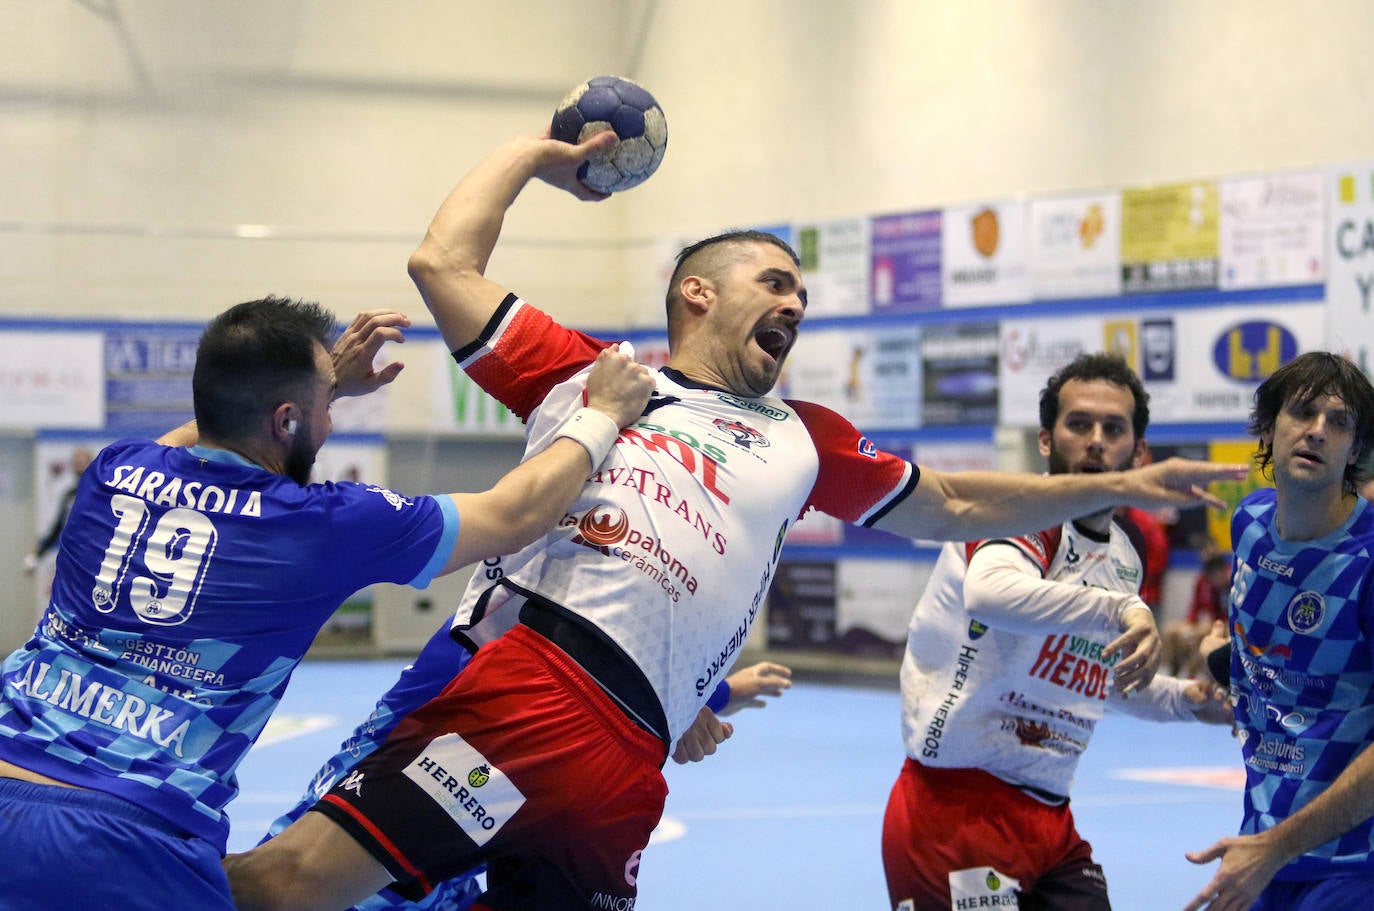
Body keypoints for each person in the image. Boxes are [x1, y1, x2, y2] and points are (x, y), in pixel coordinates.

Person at [223, 128, 1246, 911]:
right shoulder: (598, 374)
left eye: (803, 289)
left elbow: (958, 502)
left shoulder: (808, 435)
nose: (797, 299)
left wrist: (1125, 486)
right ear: (699, 294)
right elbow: (443, 264)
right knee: (292, 881)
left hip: (630, 759)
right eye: (775, 281)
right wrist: (538, 157)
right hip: (528, 690)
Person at [0, 296, 653, 910]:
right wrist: (599, 413)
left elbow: (218, 422)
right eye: (326, 405)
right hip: (131, 836)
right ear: (286, 418)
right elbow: (519, 513)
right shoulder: (319, 524)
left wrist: (317, 383)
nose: (331, 418)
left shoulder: (112, 470)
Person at [882, 353, 1233, 911]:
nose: (1096, 441)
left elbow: (1101, 680)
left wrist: (1190, 702)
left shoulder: (1125, 552)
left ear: (1139, 454)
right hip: (955, 811)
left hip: (1050, 817)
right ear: (1046, 441)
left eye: (1113, 429)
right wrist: (1119, 610)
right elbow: (990, 594)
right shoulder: (1016, 510)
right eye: (1078, 425)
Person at [255, 612, 792, 911]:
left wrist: (704, 698)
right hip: (377, 846)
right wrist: (691, 703)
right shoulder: (511, 624)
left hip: (447, 806)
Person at [1183, 351, 1374, 911]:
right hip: (1263, 846)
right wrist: (1224, 661)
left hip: (1354, 864)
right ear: (1269, 428)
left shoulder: (1368, 562)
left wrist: (1273, 848)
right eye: (1302, 412)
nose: (1317, 431)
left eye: (1339, 423)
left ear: (1355, 450)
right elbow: (1278, 660)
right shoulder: (1249, 526)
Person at [1161, 545, 1232, 678]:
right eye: (1210, 576)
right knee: (1170, 630)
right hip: (1209, 623)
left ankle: (1188, 673)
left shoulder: (1234, 582)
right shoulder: (1203, 581)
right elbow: (1194, 609)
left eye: (1216, 576)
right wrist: (1188, 626)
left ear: (1223, 571)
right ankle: (1168, 671)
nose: (1213, 580)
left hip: (1226, 625)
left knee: (1202, 633)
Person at [22, 446, 94, 573]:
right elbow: (58, 527)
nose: (80, 468)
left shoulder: (101, 494)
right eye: (77, 464)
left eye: (83, 463)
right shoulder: (70, 496)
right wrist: (37, 555)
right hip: (73, 555)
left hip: (96, 556)